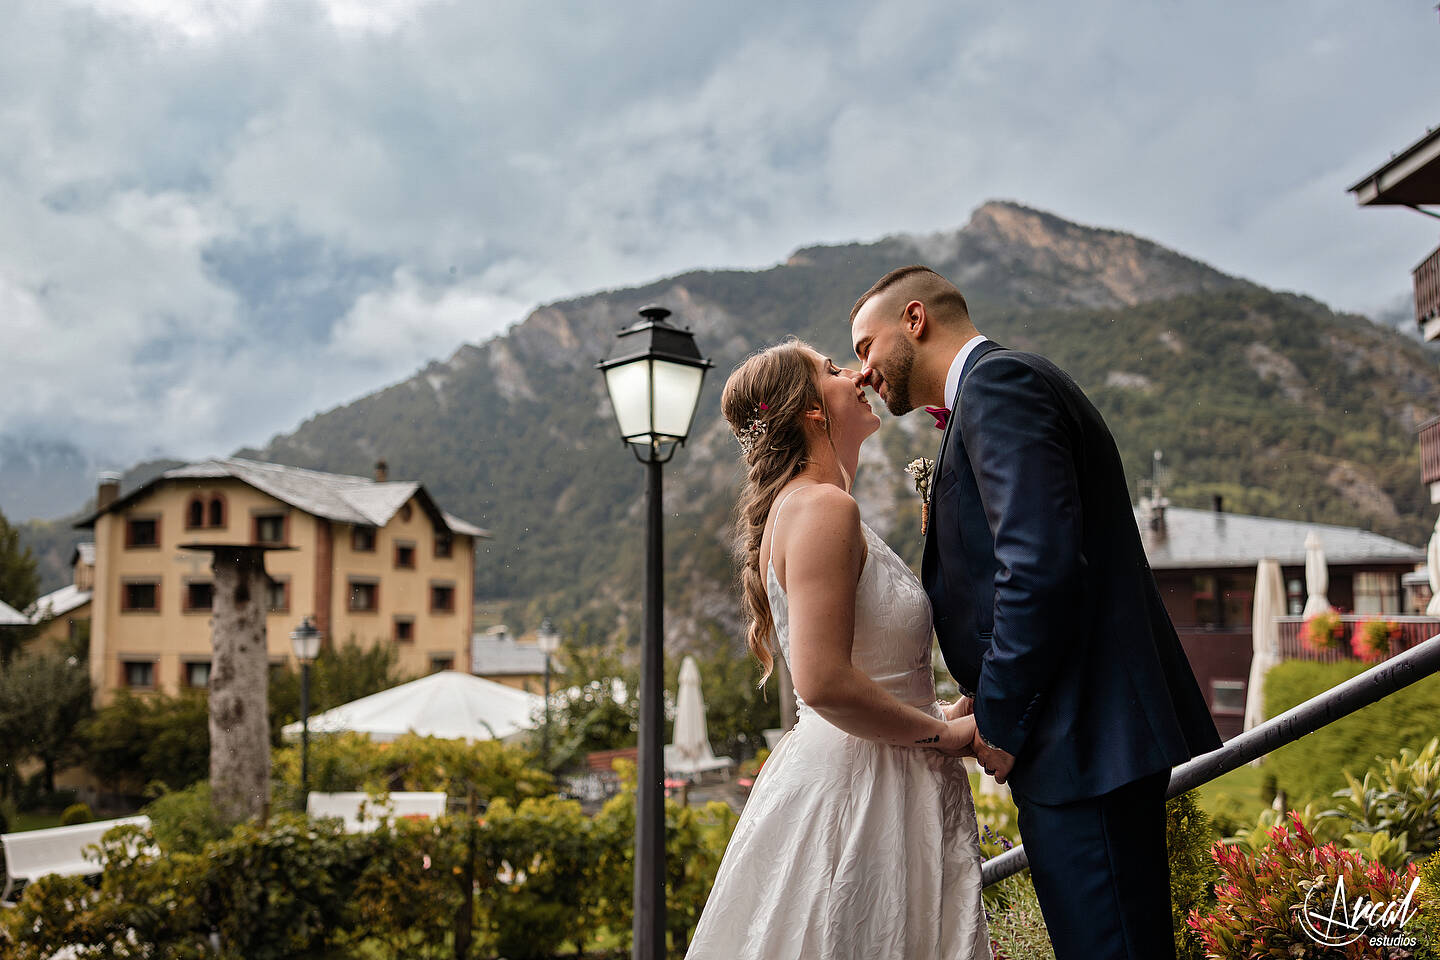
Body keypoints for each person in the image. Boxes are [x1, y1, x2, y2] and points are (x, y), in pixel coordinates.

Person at [850, 265, 1223, 960]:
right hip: (1081, 734)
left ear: (914, 319)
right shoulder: (993, 395)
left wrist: (1000, 715)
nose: (862, 369)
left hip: (1080, 736)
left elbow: (1039, 568)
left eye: (865, 346)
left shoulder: (999, 386)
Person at [685, 339, 991, 959]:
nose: (854, 375)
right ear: (811, 412)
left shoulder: (809, 506)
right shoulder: (823, 507)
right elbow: (822, 682)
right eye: (831, 369)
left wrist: (935, 715)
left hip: (880, 772)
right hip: (865, 792)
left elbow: (868, 672)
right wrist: (947, 738)